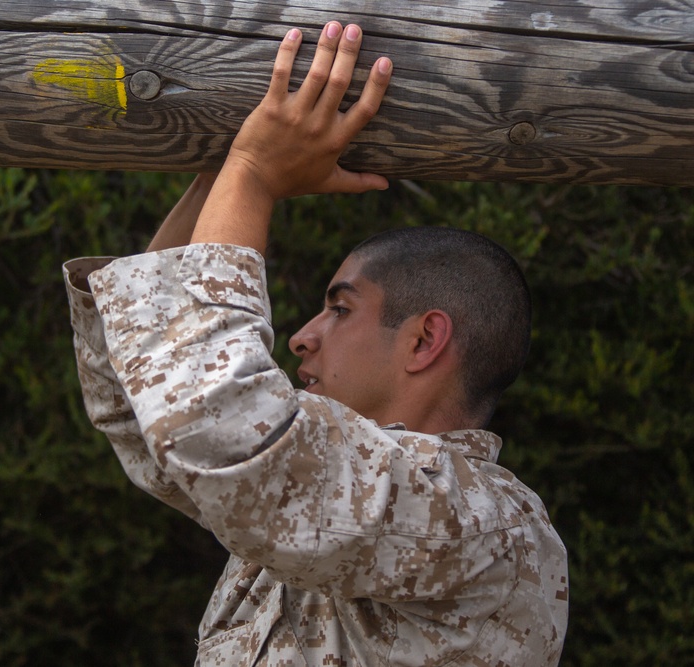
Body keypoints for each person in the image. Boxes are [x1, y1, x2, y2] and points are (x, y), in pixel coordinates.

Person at [64, 20, 568, 666]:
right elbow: (140, 399)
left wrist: (254, 175)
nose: (301, 336)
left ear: (424, 341)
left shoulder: (488, 526)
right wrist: (224, 165)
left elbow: (211, 419)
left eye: (339, 308)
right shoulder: (316, 498)